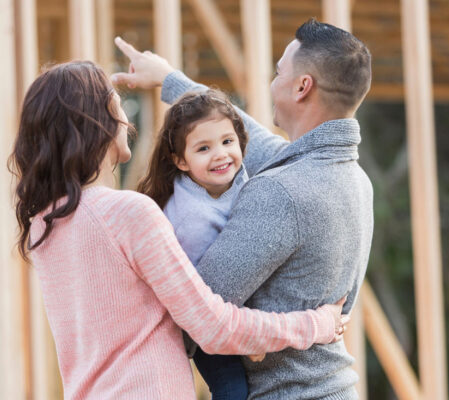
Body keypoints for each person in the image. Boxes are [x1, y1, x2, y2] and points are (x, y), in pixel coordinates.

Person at [9, 60, 349, 400]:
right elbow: (213, 326)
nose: (125, 120)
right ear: (95, 123)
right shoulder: (127, 213)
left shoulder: (45, 225)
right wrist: (317, 324)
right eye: (117, 107)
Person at [112, 18, 374, 400]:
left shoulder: (282, 192)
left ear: (302, 87)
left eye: (278, 71)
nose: (272, 83)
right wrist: (170, 78)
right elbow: (243, 135)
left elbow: (197, 309)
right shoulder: (352, 179)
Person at [138, 89, 254, 400]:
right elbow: (205, 292)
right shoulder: (190, 219)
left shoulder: (242, 178)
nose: (220, 154)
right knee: (233, 390)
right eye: (204, 148)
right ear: (181, 161)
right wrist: (249, 339)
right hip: (198, 321)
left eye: (228, 142)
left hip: (227, 309)